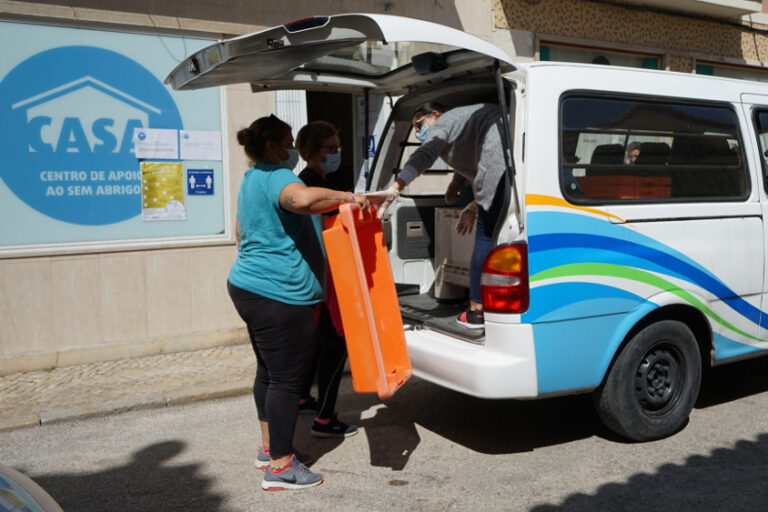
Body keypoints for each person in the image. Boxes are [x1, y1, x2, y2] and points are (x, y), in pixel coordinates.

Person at [227, 114, 369, 491]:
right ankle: (280, 467)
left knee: (269, 374)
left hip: (247, 285)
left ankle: (268, 448)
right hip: (279, 295)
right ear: (273, 146)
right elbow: (303, 200)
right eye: (288, 142)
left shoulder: (251, 178)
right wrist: (348, 196)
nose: (293, 149)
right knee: (289, 382)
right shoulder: (279, 177)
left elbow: (239, 231)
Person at [367, 102, 509, 330]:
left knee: (484, 235)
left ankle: (476, 310)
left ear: (434, 114)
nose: (418, 132)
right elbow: (469, 157)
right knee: (486, 231)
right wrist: (456, 183)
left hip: (498, 161)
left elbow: (424, 155)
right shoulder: (459, 122)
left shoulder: (442, 124)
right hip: (497, 158)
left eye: (419, 124)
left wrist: (395, 188)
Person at [294, 120, 359, 438]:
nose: (335, 154)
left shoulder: (309, 183)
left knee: (316, 345)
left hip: (318, 278)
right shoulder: (310, 187)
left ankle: (305, 397)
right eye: (329, 149)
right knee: (334, 345)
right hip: (326, 280)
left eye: (338, 148)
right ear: (310, 150)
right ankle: (325, 419)